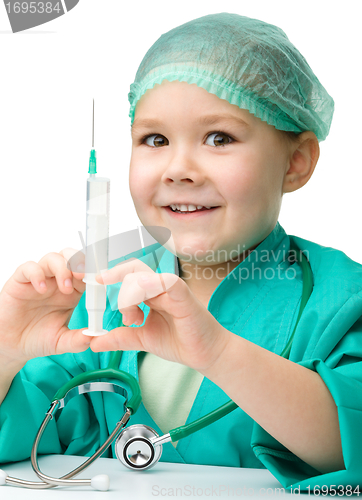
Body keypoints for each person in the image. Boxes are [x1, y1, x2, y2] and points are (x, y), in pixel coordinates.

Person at [1, 12, 361, 491]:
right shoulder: (99, 293)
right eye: (155, 139)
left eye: (219, 138)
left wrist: (218, 353)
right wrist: (7, 349)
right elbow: (22, 431)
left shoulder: (341, 299)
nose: (178, 169)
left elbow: (350, 440)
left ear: (296, 162)